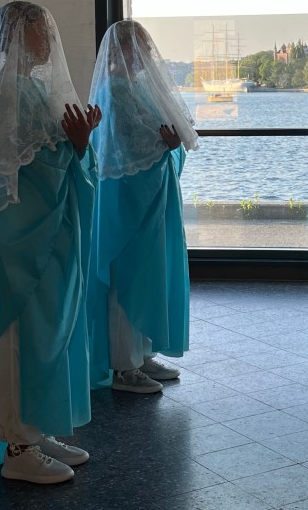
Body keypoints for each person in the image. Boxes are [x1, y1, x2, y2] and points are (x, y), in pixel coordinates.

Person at [0, 2, 101, 484]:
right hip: (16, 239)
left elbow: (47, 154)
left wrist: (80, 141)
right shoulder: (4, 90)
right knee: (16, 338)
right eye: (40, 31)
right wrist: (72, 144)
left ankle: (35, 428)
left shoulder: (29, 87)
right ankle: (17, 446)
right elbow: (15, 171)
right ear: (18, 35)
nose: (49, 41)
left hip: (42, 233)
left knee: (42, 338)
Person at [87, 20, 198, 394]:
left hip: (150, 196)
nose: (147, 56)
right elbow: (123, 145)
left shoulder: (136, 88)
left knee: (149, 275)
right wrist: (164, 141)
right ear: (123, 51)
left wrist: (172, 141)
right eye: (140, 49)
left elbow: (158, 133)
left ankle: (142, 351)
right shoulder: (113, 90)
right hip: (127, 199)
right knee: (128, 277)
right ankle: (123, 365)